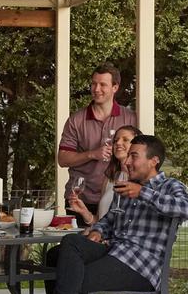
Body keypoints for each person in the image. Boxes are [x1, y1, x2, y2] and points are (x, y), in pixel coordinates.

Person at [0, 135, 188, 294]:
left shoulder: (170, 186)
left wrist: (143, 194)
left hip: (140, 266)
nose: (128, 161)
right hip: (115, 252)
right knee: (65, 247)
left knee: (73, 278)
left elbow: (185, 209)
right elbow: (110, 220)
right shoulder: (125, 186)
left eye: (134, 155)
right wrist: (98, 230)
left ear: (154, 161)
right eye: (128, 155)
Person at [45, 125, 142, 294]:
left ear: (137, 147)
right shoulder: (110, 177)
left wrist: (106, 237)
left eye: (125, 140)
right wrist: (85, 212)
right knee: (53, 255)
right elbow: (101, 219)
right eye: (115, 140)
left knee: (74, 249)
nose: (118, 144)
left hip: (116, 246)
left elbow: (133, 222)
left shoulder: (139, 183)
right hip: (101, 240)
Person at [57, 63, 138, 217]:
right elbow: (62, 159)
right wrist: (92, 154)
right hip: (80, 198)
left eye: (102, 84)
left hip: (117, 198)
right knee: (79, 240)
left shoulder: (130, 118)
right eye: (94, 84)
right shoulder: (76, 120)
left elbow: (139, 154)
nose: (96, 89)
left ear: (115, 88)